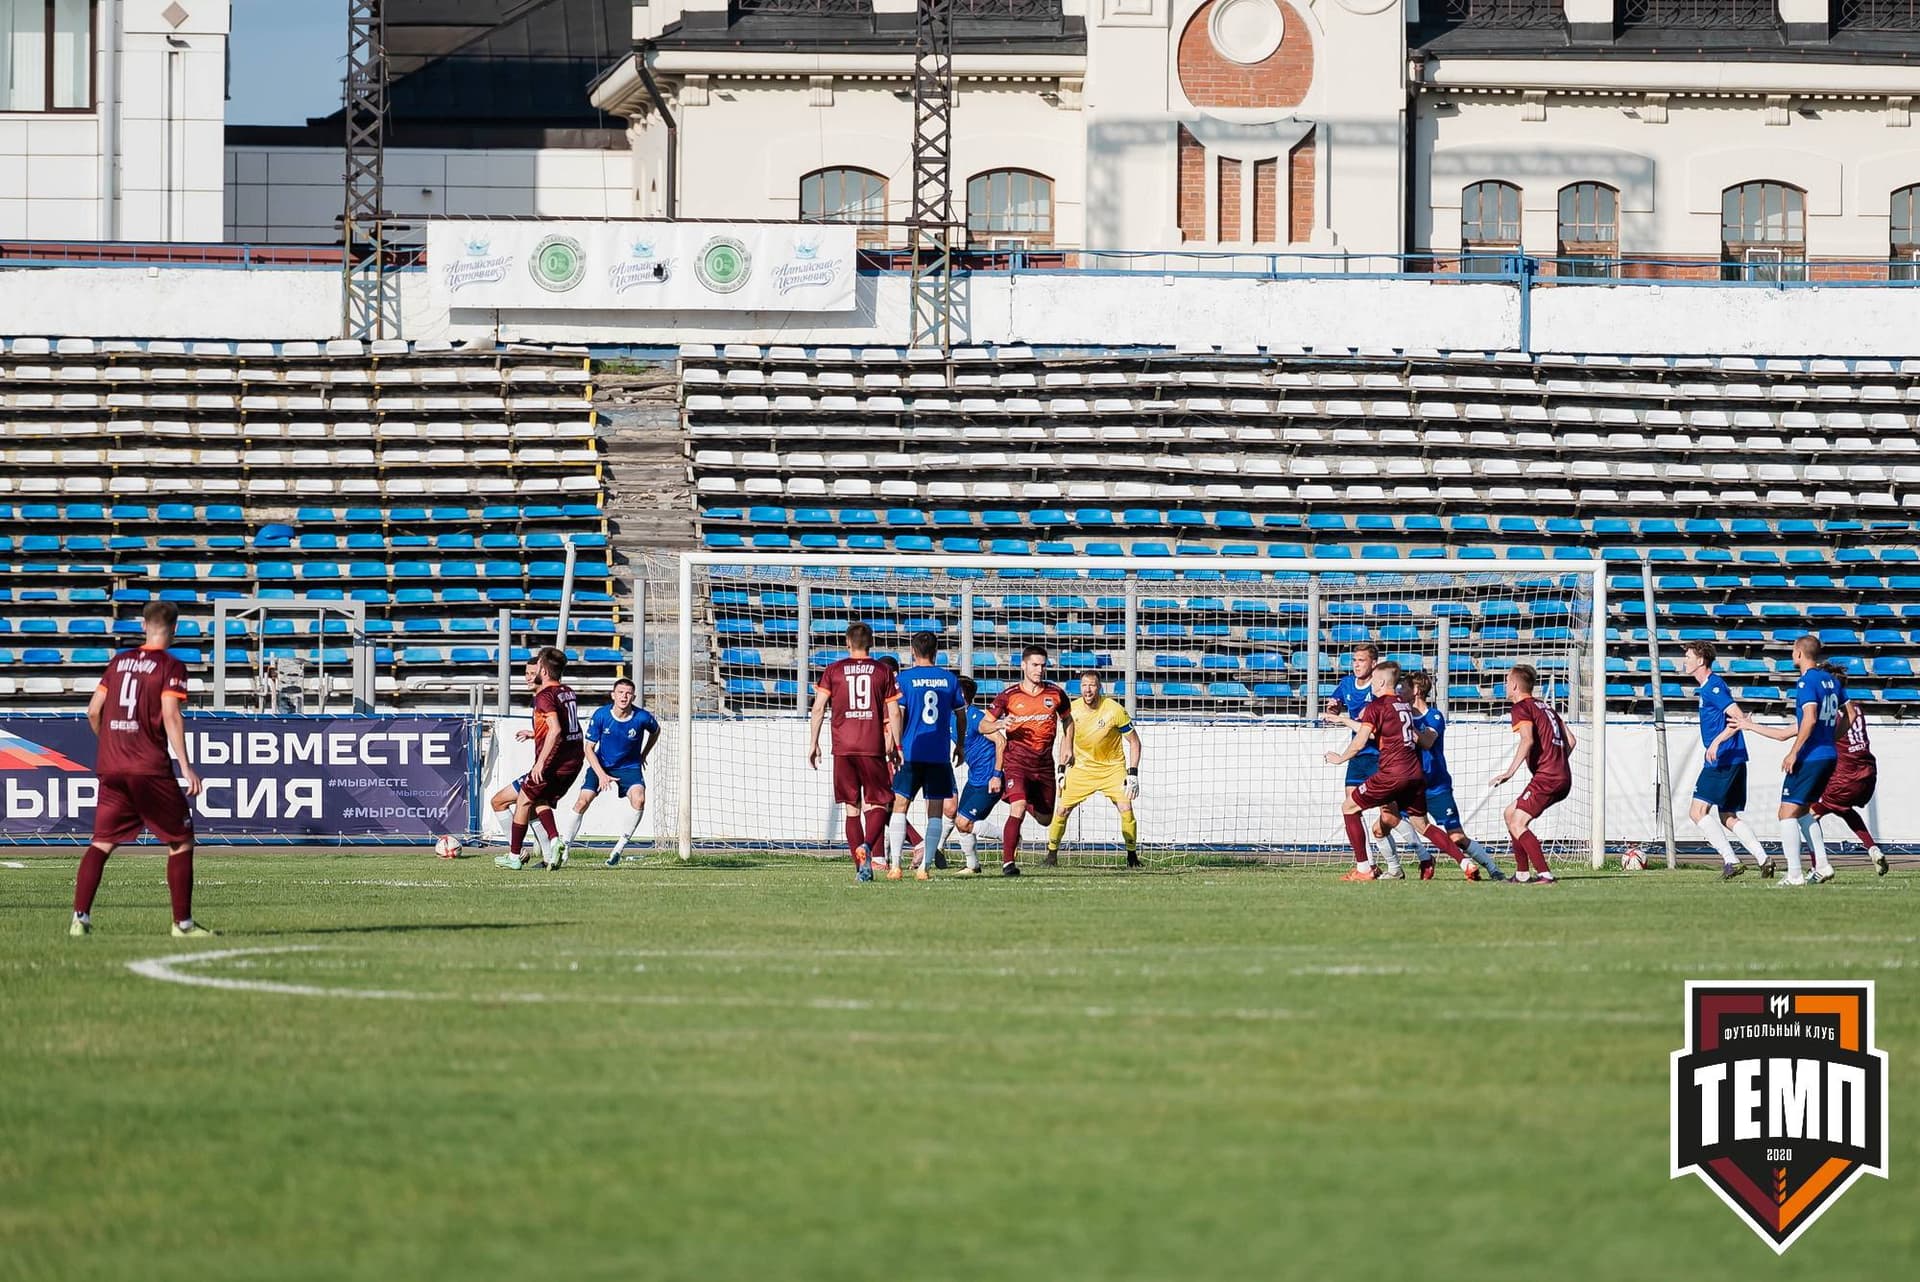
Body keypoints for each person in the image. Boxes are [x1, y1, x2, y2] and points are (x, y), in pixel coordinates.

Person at [70, 600, 211, 937]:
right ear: (175, 629)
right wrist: (186, 766)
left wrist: (109, 743)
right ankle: (183, 925)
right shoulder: (170, 666)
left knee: (102, 841)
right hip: (148, 766)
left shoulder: (118, 663)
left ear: (143, 626)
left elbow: (93, 711)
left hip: (111, 765)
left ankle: (80, 919)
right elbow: (171, 714)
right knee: (180, 841)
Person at [1326, 660, 1479, 881]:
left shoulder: (1376, 707)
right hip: (1414, 774)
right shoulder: (1403, 704)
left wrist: (1340, 758)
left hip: (1391, 773)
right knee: (1422, 824)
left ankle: (1364, 869)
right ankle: (1465, 863)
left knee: (1349, 807)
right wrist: (1343, 719)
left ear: (1379, 681)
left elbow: (1361, 741)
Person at [1731, 637, 1845, 885]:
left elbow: (1810, 719)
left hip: (1811, 756)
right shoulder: (1832, 681)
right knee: (1803, 811)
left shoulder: (1807, 681)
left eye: (1793, 650)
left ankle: (1795, 874)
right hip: (1828, 754)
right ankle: (1823, 865)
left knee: (1786, 813)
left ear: (1799, 654)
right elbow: (1849, 713)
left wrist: (1794, 753)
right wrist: (1750, 726)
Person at [807, 622, 900, 881]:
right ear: (871, 643)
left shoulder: (833, 670)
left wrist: (814, 743)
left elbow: (818, 708)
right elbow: (893, 711)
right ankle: (868, 846)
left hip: (843, 749)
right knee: (879, 802)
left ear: (847, 643)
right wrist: (898, 745)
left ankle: (861, 869)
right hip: (872, 747)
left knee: (852, 808)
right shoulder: (883, 671)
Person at [1678, 641, 1772, 880]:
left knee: (1697, 812)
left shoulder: (1713, 687)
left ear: (1701, 661)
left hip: (1723, 758)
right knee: (1728, 816)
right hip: (1735, 757)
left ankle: (1731, 861)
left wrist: (1717, 742)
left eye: (1688, 656)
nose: (1685, 660)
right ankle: (1764, 859)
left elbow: (1739, 718)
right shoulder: (1710, 687)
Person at [490, 647, 585, 871]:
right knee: (538, 801)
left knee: (522, 801)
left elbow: (555, 730)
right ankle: (553, 844)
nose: (530, 676)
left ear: (542, 669)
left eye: (534, 670)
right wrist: (534, 733)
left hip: (553, 762)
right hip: (573, 761)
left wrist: (541, 763)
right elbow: (569, 727)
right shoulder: (567, 691)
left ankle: (515, 856)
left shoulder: (545, 696)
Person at [1321, 643, 1412, 876]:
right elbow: (1335, 705)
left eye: (1361, 660)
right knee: (1351, 807)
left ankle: (1415, 858)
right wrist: (1332, 709)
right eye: (1354, 660)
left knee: (1388, 815)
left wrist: (1342, 722)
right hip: (1358, 756)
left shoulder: (1380, 690)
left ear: (1374, 664)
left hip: (1378, 756)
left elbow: (1370, 730)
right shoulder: (1347, 684)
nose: (1356, 665)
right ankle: (1367, 865)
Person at [981, 645, 1072, 876]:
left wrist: (1068, 745)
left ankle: (1017, 795)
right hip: (1017, 762)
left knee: (1045, 818)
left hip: (1043, 764)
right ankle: (1008, 863)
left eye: (1042, 665)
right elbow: (983, 725)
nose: (1039, 670)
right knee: (1018, 808)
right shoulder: (1009, 696)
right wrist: (1001, 724)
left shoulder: (1056, 694)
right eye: (1034, 665)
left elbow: (1068, 721)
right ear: (1023, 665)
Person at [1406, 672, 1502, 880]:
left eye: (1404, 687)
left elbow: (1428, 742)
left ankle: (1493, 868)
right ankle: (1412, 863)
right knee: (1391, 821)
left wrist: (1406, 726)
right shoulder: (1402, 715)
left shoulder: (1434, 716)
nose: (1400, 692)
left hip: (1436, 785)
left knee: (1457, 836)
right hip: (1412, 786)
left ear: (1416, 690)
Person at [557, 678, 661, 868]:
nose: (624, 696)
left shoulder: (642, 717)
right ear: (613, 695)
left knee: (639, 799)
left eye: (628, 693)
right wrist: (602, 775)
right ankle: (564, 848)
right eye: (620, 692)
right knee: (582, 801)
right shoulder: (601, 715)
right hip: (601, 765)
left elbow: (656, 730)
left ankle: (618, 849)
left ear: (634, 696)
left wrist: (643, 753)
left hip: (629, 767)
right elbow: (588, 749)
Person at [886, 631, 965, 881]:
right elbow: (961, 715)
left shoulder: (905, 679)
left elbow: (897, 714)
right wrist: (960, 745)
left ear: (912, 650)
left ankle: (895, 866)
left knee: (900, 806)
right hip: (939, 754)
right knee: (935, 811)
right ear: (936, 651)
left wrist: (895, 744)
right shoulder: (949, 679)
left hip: (911, 751)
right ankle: (925, 868)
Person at [1491, 662, 1577, 886]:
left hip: (1548, 777)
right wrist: (1557, 762)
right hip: (1560, 775)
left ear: (1515, 686)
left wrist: (1509, 772)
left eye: (1507, 681)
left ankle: (1546, 875)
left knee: (1518, 822)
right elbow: (1571, 741)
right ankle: (1521, 874)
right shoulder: (1545, 706)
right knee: (1510, 814)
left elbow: (1527, 739)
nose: (1505, 685)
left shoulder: (1521, 707)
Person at [1046, 671, 1143, 869]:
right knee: (1062, 809)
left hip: (1112, 769)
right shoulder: (1071, 710)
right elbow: (1066, 740)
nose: (1088, 690)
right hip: (1081, 768)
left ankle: (1132, 856)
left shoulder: (1114, 710)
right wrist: (1061, 769)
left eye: (1092, 685)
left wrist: (1132, 773)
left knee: (1126, 808)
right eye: (1084, 685)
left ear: (1099, 687)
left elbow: (1134, 742)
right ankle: (1051, 854)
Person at [1808, 664, 1887, 877]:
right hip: (1868, 773)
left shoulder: (1830, 711)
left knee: (1806, 816)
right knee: (1844, 809)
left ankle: (1818, 866)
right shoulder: (1856, 708)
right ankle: (1873, 849)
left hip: (1845, 776)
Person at [947, 676, 1007, 875]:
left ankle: (1009, 836)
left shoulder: (974, 716)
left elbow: (1000, 741)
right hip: (975, 778)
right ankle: (972, 866)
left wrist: (997, 775)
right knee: (960, 822)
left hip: (989, 779)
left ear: (961, 696)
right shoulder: (951, 717)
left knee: (964, 822)